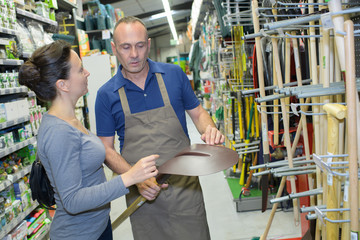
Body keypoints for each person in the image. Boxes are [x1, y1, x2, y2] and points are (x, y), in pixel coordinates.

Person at [95, 16, 225, 240]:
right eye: (126, 47)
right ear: (115, 48)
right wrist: (134, 178)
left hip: (186, 187)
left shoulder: (173, 75)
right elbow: (106, 149)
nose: (134, 54)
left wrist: (209, 128)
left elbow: (199, 113)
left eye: (140, 45)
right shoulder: (106, 95)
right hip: (143, 194)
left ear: (149, 43)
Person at [19, 40, 161, 240]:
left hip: (97, 227)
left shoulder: (69, 120)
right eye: (80, 70)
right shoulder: (58, 131)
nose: (87, 73)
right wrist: (129, 177)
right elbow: (73, 200)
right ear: (63, 84)